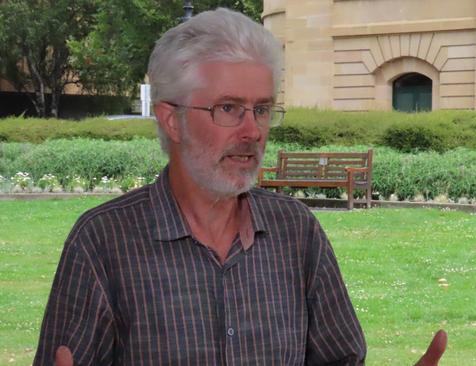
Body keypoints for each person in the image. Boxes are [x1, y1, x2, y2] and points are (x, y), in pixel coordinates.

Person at [34, 8, 366, 365]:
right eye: (228, 108)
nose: (253, 131)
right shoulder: (103, 242)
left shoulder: (297, 232)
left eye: (262, 109)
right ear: (171, 121)